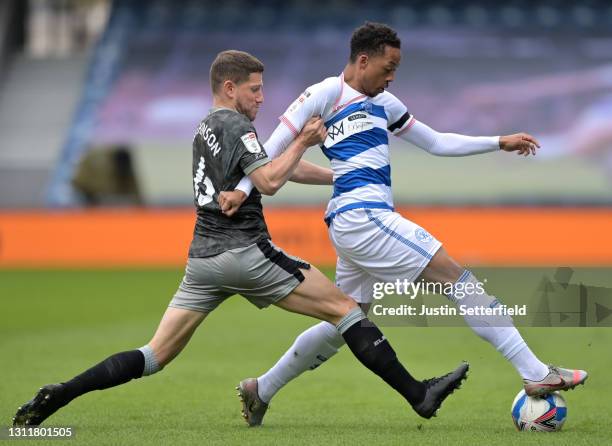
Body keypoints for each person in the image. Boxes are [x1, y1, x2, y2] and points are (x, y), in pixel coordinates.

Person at [12, 50, 469, 428]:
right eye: (254, 89)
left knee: (155, 355)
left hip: (203, 261)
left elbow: (270, 171)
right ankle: (418, 395)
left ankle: (61, 393)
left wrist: (340, 176)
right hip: (245, 251)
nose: (261, 98)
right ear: (230, 88)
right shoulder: (237, 125)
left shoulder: (205, 128)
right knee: (347, 310)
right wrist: (305, 139)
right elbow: (269, 181)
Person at [219, 23, 588, 426]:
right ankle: (535, 373)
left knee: (345, 317)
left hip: (356, 223)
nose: (392, 76)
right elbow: (269, 149)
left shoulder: (386, 102)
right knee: (457, 279)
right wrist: (240, 190)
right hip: (363, 217)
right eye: (388, 66)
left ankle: (261, 389)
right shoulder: (324, 94)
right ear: (363, 60)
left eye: (397, 68)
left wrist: (497, 140)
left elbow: (436, 142)